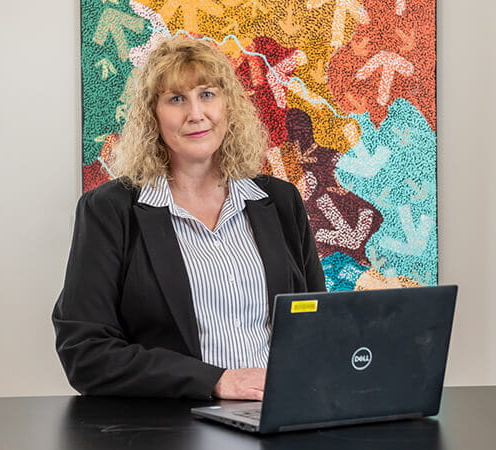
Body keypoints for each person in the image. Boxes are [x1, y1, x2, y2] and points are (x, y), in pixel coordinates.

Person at [52, 36, 325, 401]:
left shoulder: (278, 201)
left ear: (229, 105)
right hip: (176, 425)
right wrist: (214, 380)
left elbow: (318, 325)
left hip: (282, 413)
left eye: (208, 94)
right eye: (177, 99)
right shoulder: (109, 211)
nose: (196, 113)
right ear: (153, 114)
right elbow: (85, 353)